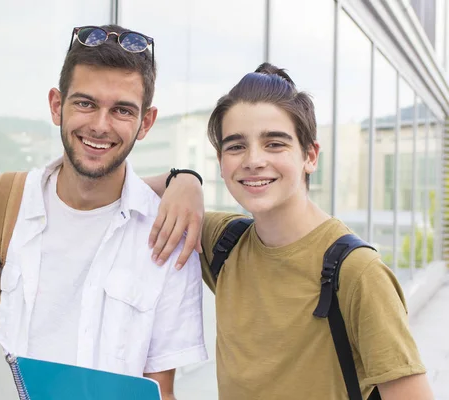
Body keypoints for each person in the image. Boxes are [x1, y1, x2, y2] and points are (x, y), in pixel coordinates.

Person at [0, 24, 207, 400]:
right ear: (56, 105)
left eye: (122, 110)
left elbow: (160, 390)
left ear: (146, 122)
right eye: (85, 103)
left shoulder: (168, 232)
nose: (100, 125)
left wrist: (187, 180)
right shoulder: (2, 202)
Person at [145, 63, 434, 399]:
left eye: (274, 144)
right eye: (236, 146)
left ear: (310, 156)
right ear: (221, 163)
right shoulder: (224, 242)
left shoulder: (357, 272)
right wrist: (184, 180)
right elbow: (116, 192)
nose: (253, 160)